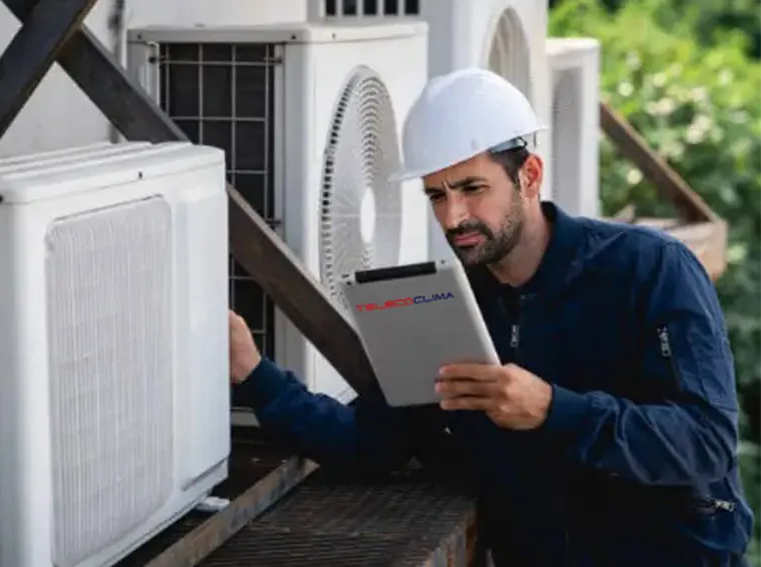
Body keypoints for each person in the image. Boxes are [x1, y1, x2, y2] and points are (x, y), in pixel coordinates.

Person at [227, 68, 754, 567]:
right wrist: (256, 375)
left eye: (472, 188)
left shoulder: (650, 268)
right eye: (437, 194)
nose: (453, 217)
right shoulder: (444, 305)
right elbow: (369, 441)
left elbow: (704, 442)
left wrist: (552, 410)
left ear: (529, 174)